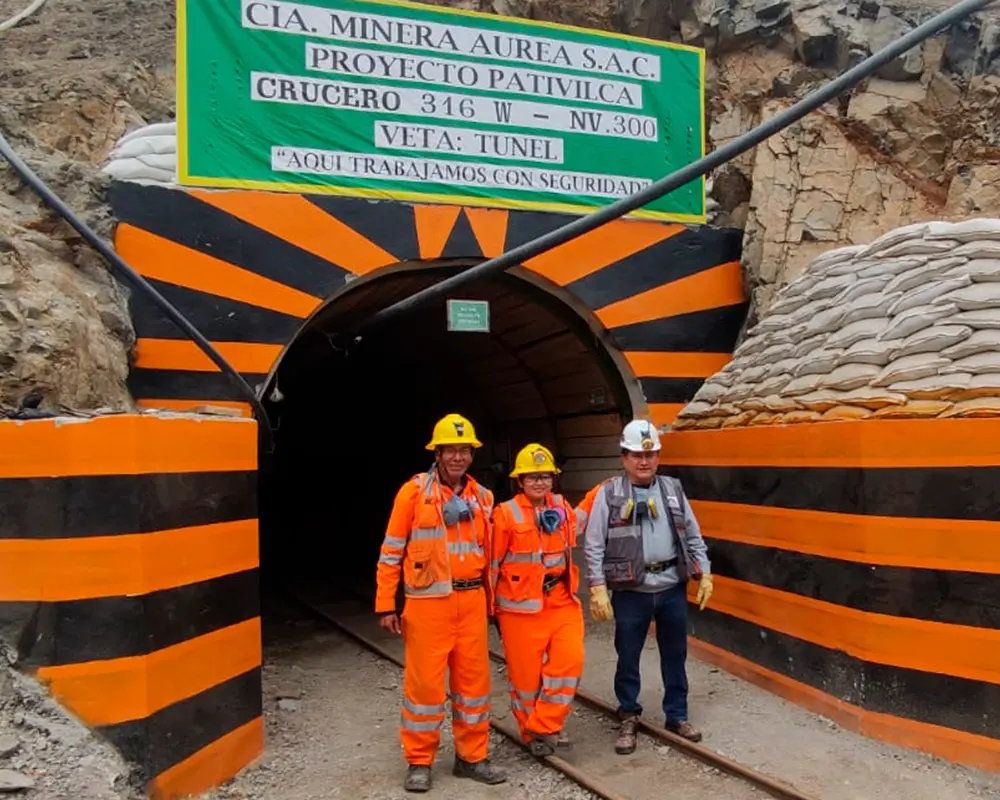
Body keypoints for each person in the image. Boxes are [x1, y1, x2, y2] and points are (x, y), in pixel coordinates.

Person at [375, 413, 507, 793]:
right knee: (425, 687)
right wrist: (386, 603)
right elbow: (391, 550)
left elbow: (492, 554)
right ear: (437, 453)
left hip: (471, 601)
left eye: (464, 450)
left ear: (472, 454)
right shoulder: (413, 493)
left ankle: (472, 757)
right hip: (428, 604)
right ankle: (419, 761)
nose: (458, 457)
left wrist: (494, 605)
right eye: (450, 450)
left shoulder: (483, 497)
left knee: (474, 685)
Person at [583, 419, 714, 754]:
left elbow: (693, 534)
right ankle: (629, 714)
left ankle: (677, 714)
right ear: (624, 457)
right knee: (628, 655)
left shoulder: (673, 490)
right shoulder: (609, 494)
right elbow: (594, 544)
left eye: (650, 454)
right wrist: (597, 586)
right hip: (631, 592)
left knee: (675, 654)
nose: (644, 461)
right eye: (637, 455)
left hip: (671, 587)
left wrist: (705, 571)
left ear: (658, 456)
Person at [489, 444, 584, 757]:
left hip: (560, 598)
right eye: (533, 477)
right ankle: (532, 735)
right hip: (519, 607)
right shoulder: (505, 514)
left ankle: (543, 724)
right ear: (520, 481)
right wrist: (489, 608)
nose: (540, 482)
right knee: (526, 679)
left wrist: (602, 491)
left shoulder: (561, 505)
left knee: (570, 661)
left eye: (545, 476)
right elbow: (492, 564)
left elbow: (579, 523)